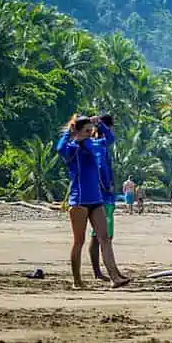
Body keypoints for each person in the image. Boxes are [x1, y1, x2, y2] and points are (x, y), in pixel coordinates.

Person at [56, 115, 129, 289]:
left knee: (105, 238)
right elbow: (59, 148)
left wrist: (100, 124)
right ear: (78, 131)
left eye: (91, 131)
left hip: (96, 199)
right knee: (79, 242)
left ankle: (114, 278)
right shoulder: (72, 149)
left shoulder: (95, 145)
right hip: (79, 200)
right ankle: (77, 281)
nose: (90, 133)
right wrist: (70, 133)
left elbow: (110, 138)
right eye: (86, 131)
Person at [88, 114, 117, 282]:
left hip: (104, 196)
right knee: (103, 236)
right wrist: (106, 186)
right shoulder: (98, 144)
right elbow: (99, 167)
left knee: (99, 236)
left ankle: (103, 271)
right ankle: (104, 272)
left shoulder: (97, 144)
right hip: (103, 197)